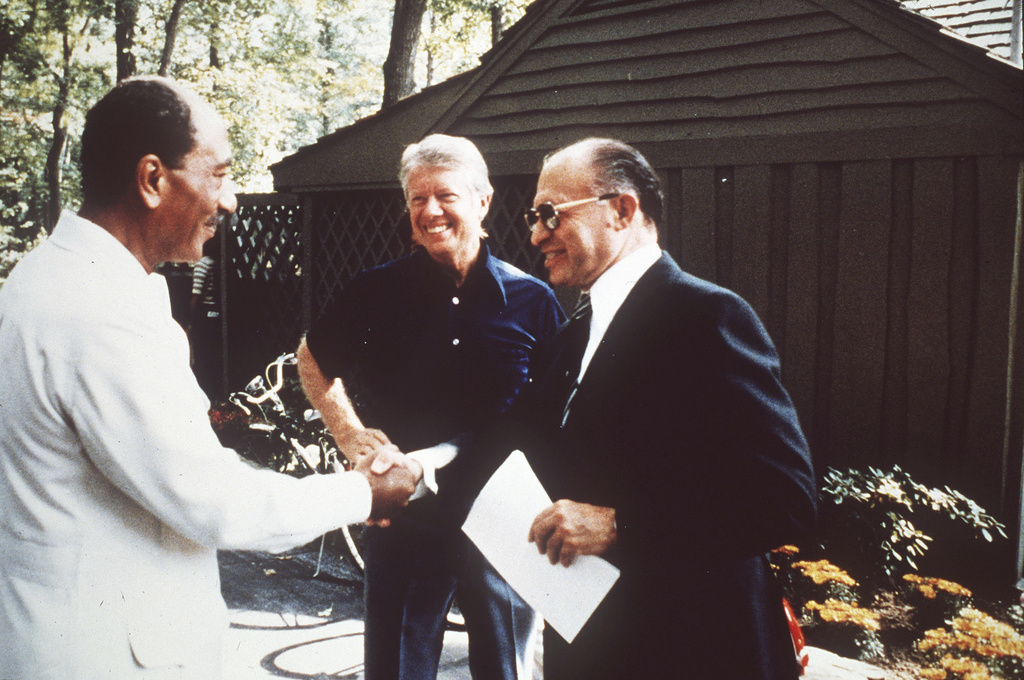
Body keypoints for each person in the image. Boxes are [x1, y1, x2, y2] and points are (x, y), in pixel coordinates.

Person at [0, 76, 415, 680]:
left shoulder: (45, 280)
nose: (230, 202)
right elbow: (213, 502)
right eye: (218, 175)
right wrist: (362, 492)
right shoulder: (94, 309)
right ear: (152, 180)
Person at [428, 138, 818, 679]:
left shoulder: (708, 317)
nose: (536, 233)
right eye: (534, 217)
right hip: (594, 649)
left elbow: (786, 498)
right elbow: (508, 444)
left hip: (698, 652)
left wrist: (621, 526)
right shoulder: (575, 335)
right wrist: (415, 473)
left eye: (550, 214)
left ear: (623, 210)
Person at [297, 134, 564, 680]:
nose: (430, 211)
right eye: (417, 199)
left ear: (483, 201)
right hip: (405, 515)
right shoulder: (375, 291)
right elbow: (312, 357)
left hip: (504, 517)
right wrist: (348, 433)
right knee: (397, 669)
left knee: (507, 669)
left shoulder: (533, 300)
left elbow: (558, 409)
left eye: (445, 196)